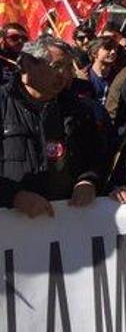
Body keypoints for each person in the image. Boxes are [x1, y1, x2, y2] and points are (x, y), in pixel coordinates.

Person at [0, 36, 104, 216]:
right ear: (26, 65)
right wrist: (14, 196)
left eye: (67, 68)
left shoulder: (78, 110)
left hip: (63, 223)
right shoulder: (3, 104)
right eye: (56, 66)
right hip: (11, 227)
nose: (63, 75)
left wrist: (87, 181)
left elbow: (95, 156)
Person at [81, 36, 120, 106]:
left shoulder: (119, 74)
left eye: (115, 48)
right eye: (108, 48)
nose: (113, 52)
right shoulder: (84, 77)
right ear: (94, 53)